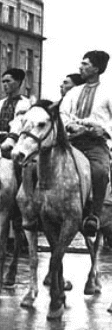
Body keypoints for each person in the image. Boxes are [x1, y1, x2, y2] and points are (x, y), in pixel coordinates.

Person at [60, 51, 112, 237]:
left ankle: (93, 216)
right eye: (81, 64)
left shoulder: (108, 92)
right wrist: (70, 125)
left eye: (85, 64)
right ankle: (39, 209)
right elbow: (63, 113)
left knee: (99, 171)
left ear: (96, 68)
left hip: (94, 143)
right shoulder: (74, 92)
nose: (80, 67)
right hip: (72, 142)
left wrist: (103, 130)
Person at [0, 68, 32, 145]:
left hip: (17, 146)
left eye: (8, 81)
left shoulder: (27, 104)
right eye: (3, 82)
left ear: (18, 82)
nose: (5, 85)